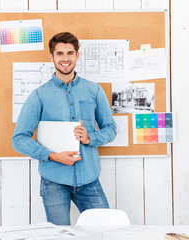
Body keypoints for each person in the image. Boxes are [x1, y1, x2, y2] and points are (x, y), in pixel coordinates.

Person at [12, 32, 117, 225]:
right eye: (59, 53)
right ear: (51, 57)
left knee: (106, 231)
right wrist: (52, 155)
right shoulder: (39, 96)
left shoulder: (94, 90)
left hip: (89, 179)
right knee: (59, 237)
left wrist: (89, 138)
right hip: (54, 181)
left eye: (70, 53)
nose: (65, 58)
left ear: (78, 55)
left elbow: (110, 129)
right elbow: (18, 139)